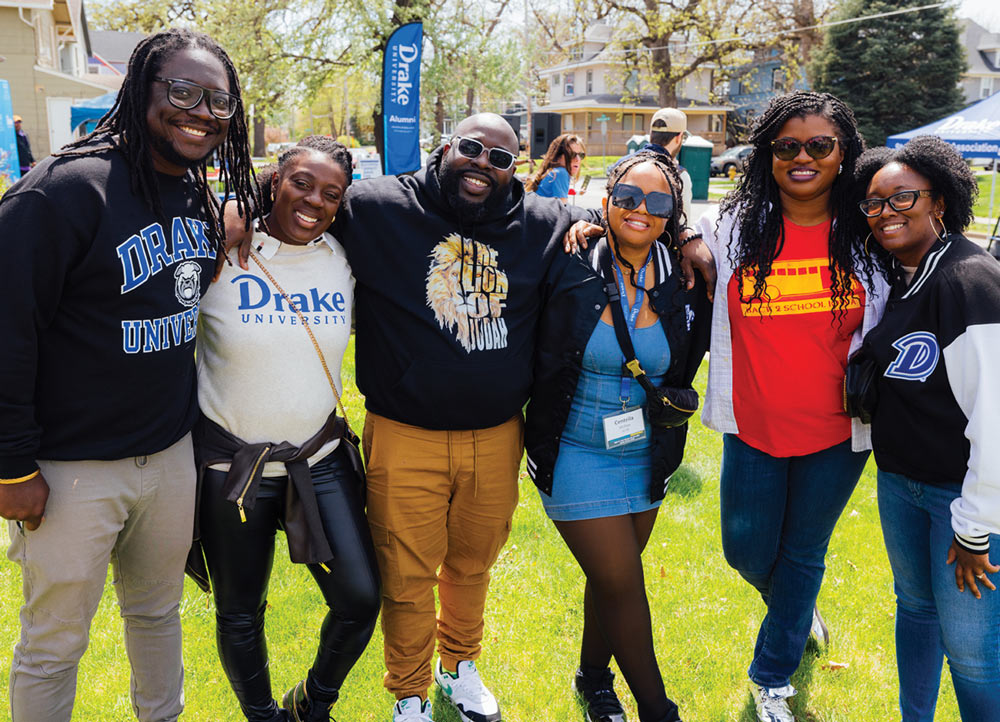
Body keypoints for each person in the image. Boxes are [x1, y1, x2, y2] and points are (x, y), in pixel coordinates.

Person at [228, 113, 612, 722]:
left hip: (496, 433)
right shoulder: (376, 206)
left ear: (515, 168)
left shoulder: (543, 220)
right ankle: (409, 693)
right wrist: (236, 207)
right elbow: (298, 188)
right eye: (470, 148)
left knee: (472, 563)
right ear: (444, 146)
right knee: (405, 574)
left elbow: (620, 213)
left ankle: (458, 664)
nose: (483, 164)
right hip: (404, 434)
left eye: (500, 158)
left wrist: (662, 233)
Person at [0, 28, 257, 722]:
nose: (201, 112)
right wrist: (12, 464)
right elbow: (7, 334)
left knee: (157, 614)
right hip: (70, 469)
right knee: (54, 644)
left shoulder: (196, 197)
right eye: (182, 91)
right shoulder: (63, 192)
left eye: (218, 101)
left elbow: (180, 289)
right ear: (139, 88)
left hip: (168, 455)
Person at [693, 91, 888, 722]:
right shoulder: (733, 228)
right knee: (744, 550)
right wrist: (588, 223)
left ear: (843, 155)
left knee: (804, 552)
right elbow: (659, 221)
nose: (803, 157)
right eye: (787, 147)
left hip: (837, 433)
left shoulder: (867, 236)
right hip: (753, 425)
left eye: (820, 146)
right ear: (767, 156)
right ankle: (798, 609)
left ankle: (771, 679)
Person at [196, 136, 379, 722]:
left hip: (317, 460)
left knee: (359, 598)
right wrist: (229, 213)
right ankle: (262, 714)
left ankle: (313, 703)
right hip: (233, 469)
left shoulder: (345, 255)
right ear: (275, 179)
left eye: (331, 194)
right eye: (301, 182)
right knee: (240, 611)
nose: (313, 201)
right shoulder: (218, 248)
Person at [526, 151, 710, 722]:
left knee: (611, 578)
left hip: (645, 454)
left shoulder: (684, 277)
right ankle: (659, 709)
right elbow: (530, 207)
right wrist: (578, 217)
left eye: (657, 203)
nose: (640, 211)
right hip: (574, 449)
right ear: (606, 200)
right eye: (627, 197)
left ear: (671, 216)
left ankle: (594, 680)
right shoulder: (570, 258)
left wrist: (689, 238)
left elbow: (693, 350)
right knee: (624, 583)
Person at [853, 136, 1000, 722]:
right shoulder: (906, 276)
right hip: (902, 486)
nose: (886, 212)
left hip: (959, 503)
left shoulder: (970, 280)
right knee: (914, 609)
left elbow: (995, 417)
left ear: (939, 202)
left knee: (972, 652)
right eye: (874, 203)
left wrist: (972, 529)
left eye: (903, 198)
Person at [615, 109, 692, 219]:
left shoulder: (622, 163)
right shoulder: (679, 175)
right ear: (679, 137)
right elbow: (683, 225)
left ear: (651, 134)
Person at [526, 133, 586, 202]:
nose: (578, 159)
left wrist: (578, 192)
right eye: (571, 154)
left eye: (581, 155)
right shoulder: (561, 173)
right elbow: (562, 209)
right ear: (558, 157)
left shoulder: (553, 172)